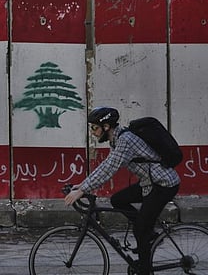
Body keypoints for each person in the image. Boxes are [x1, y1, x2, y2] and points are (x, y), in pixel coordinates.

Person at [64, 107, 180, 275]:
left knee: (140, 229)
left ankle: (145, 269)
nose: (92, 132)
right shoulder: (117, 139)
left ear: (106, 127)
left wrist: (82, 190)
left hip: (163, 184)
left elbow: (109, 169)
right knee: (118, 200)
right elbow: (107, 165)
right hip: (150, 183)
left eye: (94, 127)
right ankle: (149, 234)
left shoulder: (125, 140)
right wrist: (81, 185)